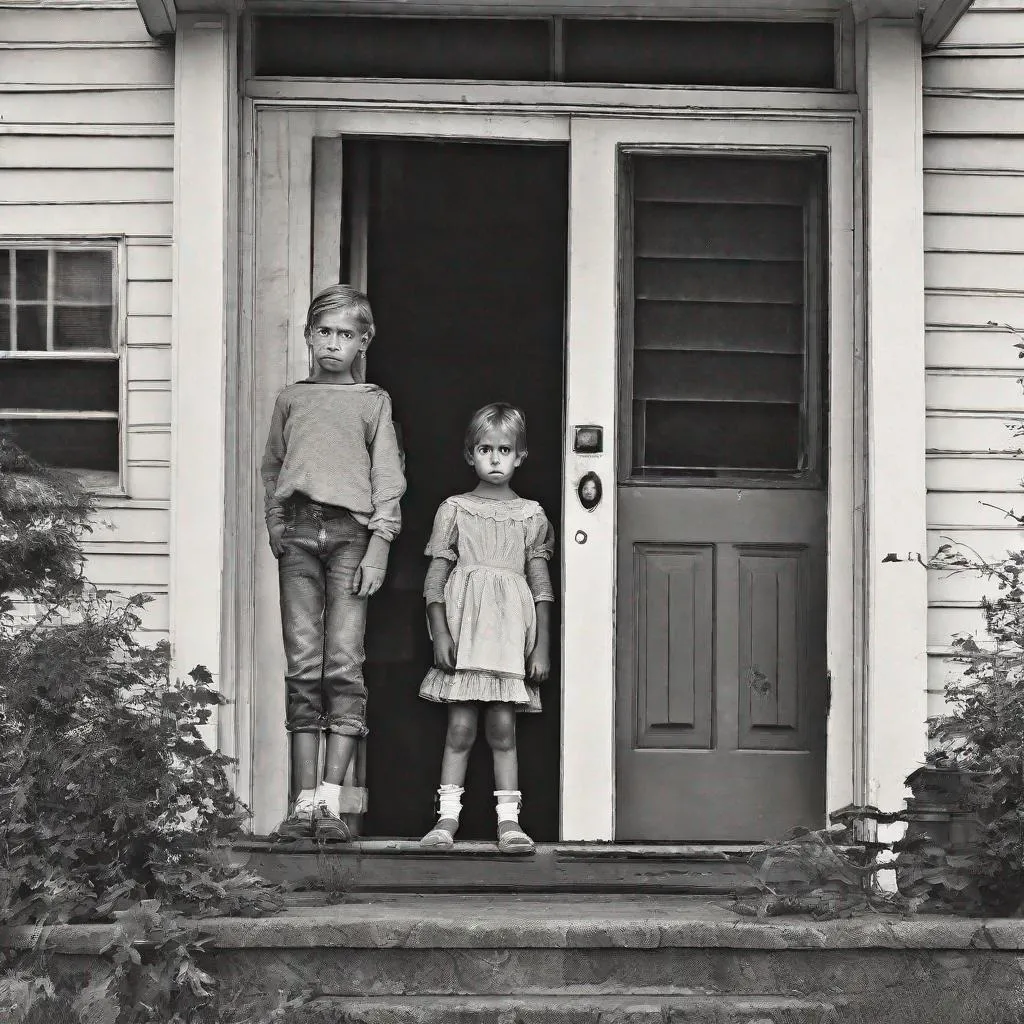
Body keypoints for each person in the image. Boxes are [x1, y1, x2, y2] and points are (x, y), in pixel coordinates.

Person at [260, 284, 406, 842]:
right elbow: (273, 467)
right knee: (303, 664)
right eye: (324, 332)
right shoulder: (291, 399)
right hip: (298, 533)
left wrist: (380, 544)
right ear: (307, 336)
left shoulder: (372, 401)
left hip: (351, 536)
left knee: (343, 662)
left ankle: (330, 804)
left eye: (345, 335)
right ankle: (300, 809)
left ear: (363, 342)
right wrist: (276, 526)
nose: (332, 344)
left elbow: (387, 480)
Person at [418, 403, 555, 854]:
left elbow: (541, 587)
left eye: (504, 450)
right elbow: (435, 580)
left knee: (502, 729)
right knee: (459, 729)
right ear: (469, 454)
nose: (494, 458)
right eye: (484, 449)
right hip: (465, 637)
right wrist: (439, 633)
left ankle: (509, 822)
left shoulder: (531, 515)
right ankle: (445, 820)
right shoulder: (454, 509)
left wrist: (542, 649)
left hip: (509, 639)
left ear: (521, 456)